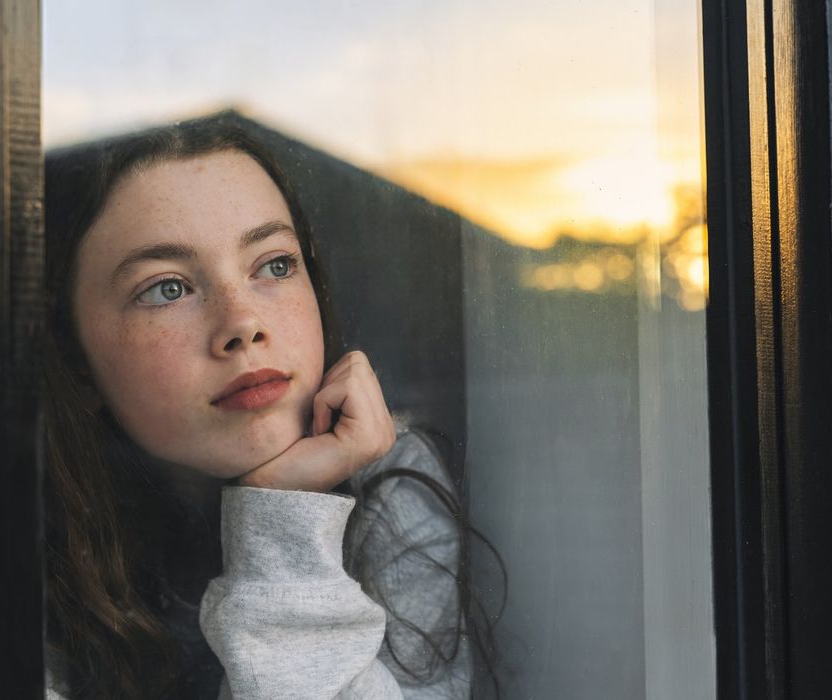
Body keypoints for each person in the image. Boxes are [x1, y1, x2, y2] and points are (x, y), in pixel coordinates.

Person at [42, 117, 496, 699]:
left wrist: (284, 516)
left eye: (275, 265)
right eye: (167, 288)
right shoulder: (18, 543)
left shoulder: (387, 481)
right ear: (74, 360)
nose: (244, 323)